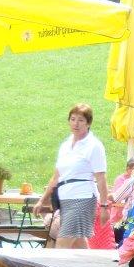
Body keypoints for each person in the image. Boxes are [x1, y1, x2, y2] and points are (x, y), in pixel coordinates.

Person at [34, 103, 109, 249]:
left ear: (88, 123)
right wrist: (42, 200)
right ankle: (89, 263)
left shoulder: (94, 145)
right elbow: (56, 177)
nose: (76, 123)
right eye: (73, 119)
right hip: (65, 199)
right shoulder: (65, 145)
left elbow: (101, 178)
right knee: (78, 244)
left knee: (62, 244)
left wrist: (104, 206)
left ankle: (55, 265)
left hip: (83, 198)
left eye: (81, 120)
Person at [109, 156, 134, 245]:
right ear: (128, 168)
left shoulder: (132, 181)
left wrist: (102, 197)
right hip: (118, 217)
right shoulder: (121, 179)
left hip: (128, 220)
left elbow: (115, 198)